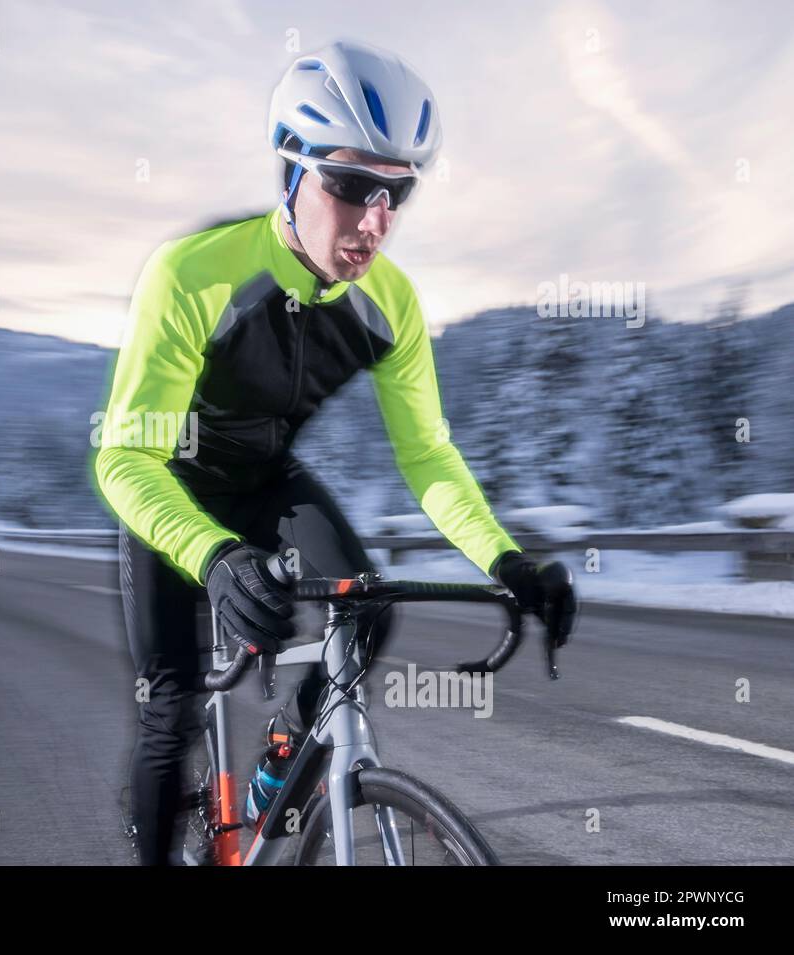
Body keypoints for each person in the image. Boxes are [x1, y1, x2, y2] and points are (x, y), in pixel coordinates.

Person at [93, 40, 576, 866]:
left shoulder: (390, 303)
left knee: (369, 603)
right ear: (290, 169)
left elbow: (427, 454)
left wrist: (509, 560)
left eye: (398, 192)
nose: (375, 221)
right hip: (169, 491)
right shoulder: (192, 275)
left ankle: (281, 762)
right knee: (166, 710)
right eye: (351, 185)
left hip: (266, 481)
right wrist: (213, 560)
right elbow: (124, 461)